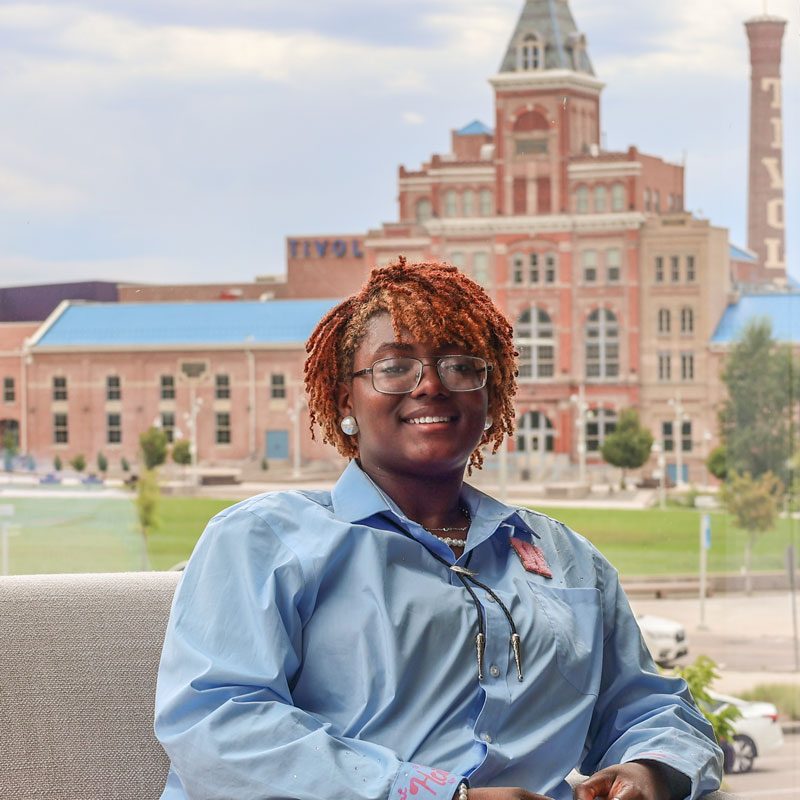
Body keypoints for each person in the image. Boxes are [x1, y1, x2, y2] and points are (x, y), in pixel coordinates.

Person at [155, 259, 723, 800]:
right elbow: (218, 726)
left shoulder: (569, 559)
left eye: (460, 366)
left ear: (491, 396)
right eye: (395, 367)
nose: (431, 385)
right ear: (345, 398)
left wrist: (651, 770)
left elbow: (653, 709)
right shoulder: (264, 540)